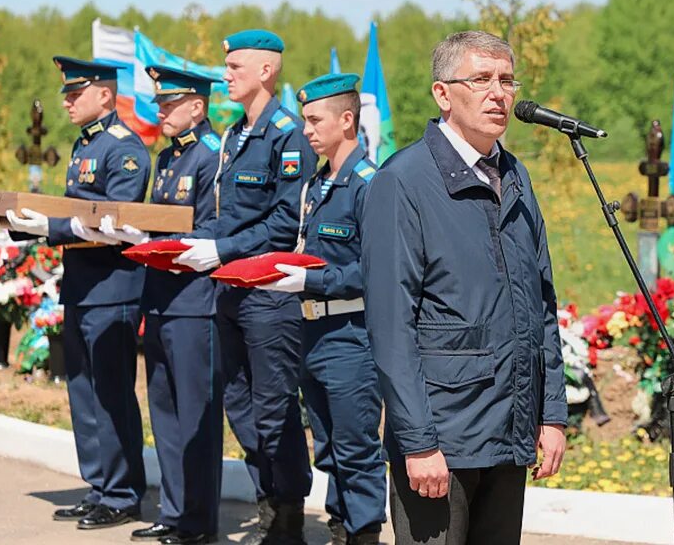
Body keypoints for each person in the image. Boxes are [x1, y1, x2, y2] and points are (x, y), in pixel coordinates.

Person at [361, 31, 568, 544]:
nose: (498, 93)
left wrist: (552, 413)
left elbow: (542, 306)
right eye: (480, 79)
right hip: (442, 442)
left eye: (506, 80)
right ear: (443, 93)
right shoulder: (403, 181)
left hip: (509, 429)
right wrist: (417, 442)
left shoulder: (514, 176)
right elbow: (391, 326)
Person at [0, 56, 151, 529]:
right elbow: (71, 215)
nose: (68, 102)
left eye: (77, 94)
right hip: (81, 287)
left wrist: (47, 227)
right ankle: (99, 487)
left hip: (112, 289)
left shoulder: (124, 149)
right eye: (67, 95)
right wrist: (15, 222)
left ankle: (122, 493)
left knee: (111, 393)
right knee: (83, 393)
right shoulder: (85, 146)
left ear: (105, 95)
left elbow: (114, 219)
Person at [173, 29, 316, 545]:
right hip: (228, 290)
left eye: (235, 67)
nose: (226, 75)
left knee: (275, 407)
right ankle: (266, 508)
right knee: (240, 406)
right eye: (226, 65)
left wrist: (223, 249)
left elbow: (284, 222)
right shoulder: (234, 135)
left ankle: (288, 518)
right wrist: (185, 246)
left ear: (266, 71)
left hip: (268, 294)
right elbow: (225, 216)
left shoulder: (287, 134)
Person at [259, 73, 385, 545]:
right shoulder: (318, 183)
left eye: (315, 120)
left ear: (347, 120)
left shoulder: (368, 184)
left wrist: (311, 280)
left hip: (351, 333)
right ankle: (340, 526)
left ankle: (364, 533)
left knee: (356, 447)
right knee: (330, 447)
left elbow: (376, 271)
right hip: (311, 331)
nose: (306, 129)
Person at [100, 66, 225, 545]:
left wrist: (161, 239)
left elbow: (215, 227)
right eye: (160, 104)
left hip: (195, 302)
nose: (161, 112)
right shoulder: (171, 157)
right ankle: (174, 512)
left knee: (196, 417)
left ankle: (198, 521)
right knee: (166, 414)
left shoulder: (211, 157)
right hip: (161, 298)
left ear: (197, 107)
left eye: (169, 104)